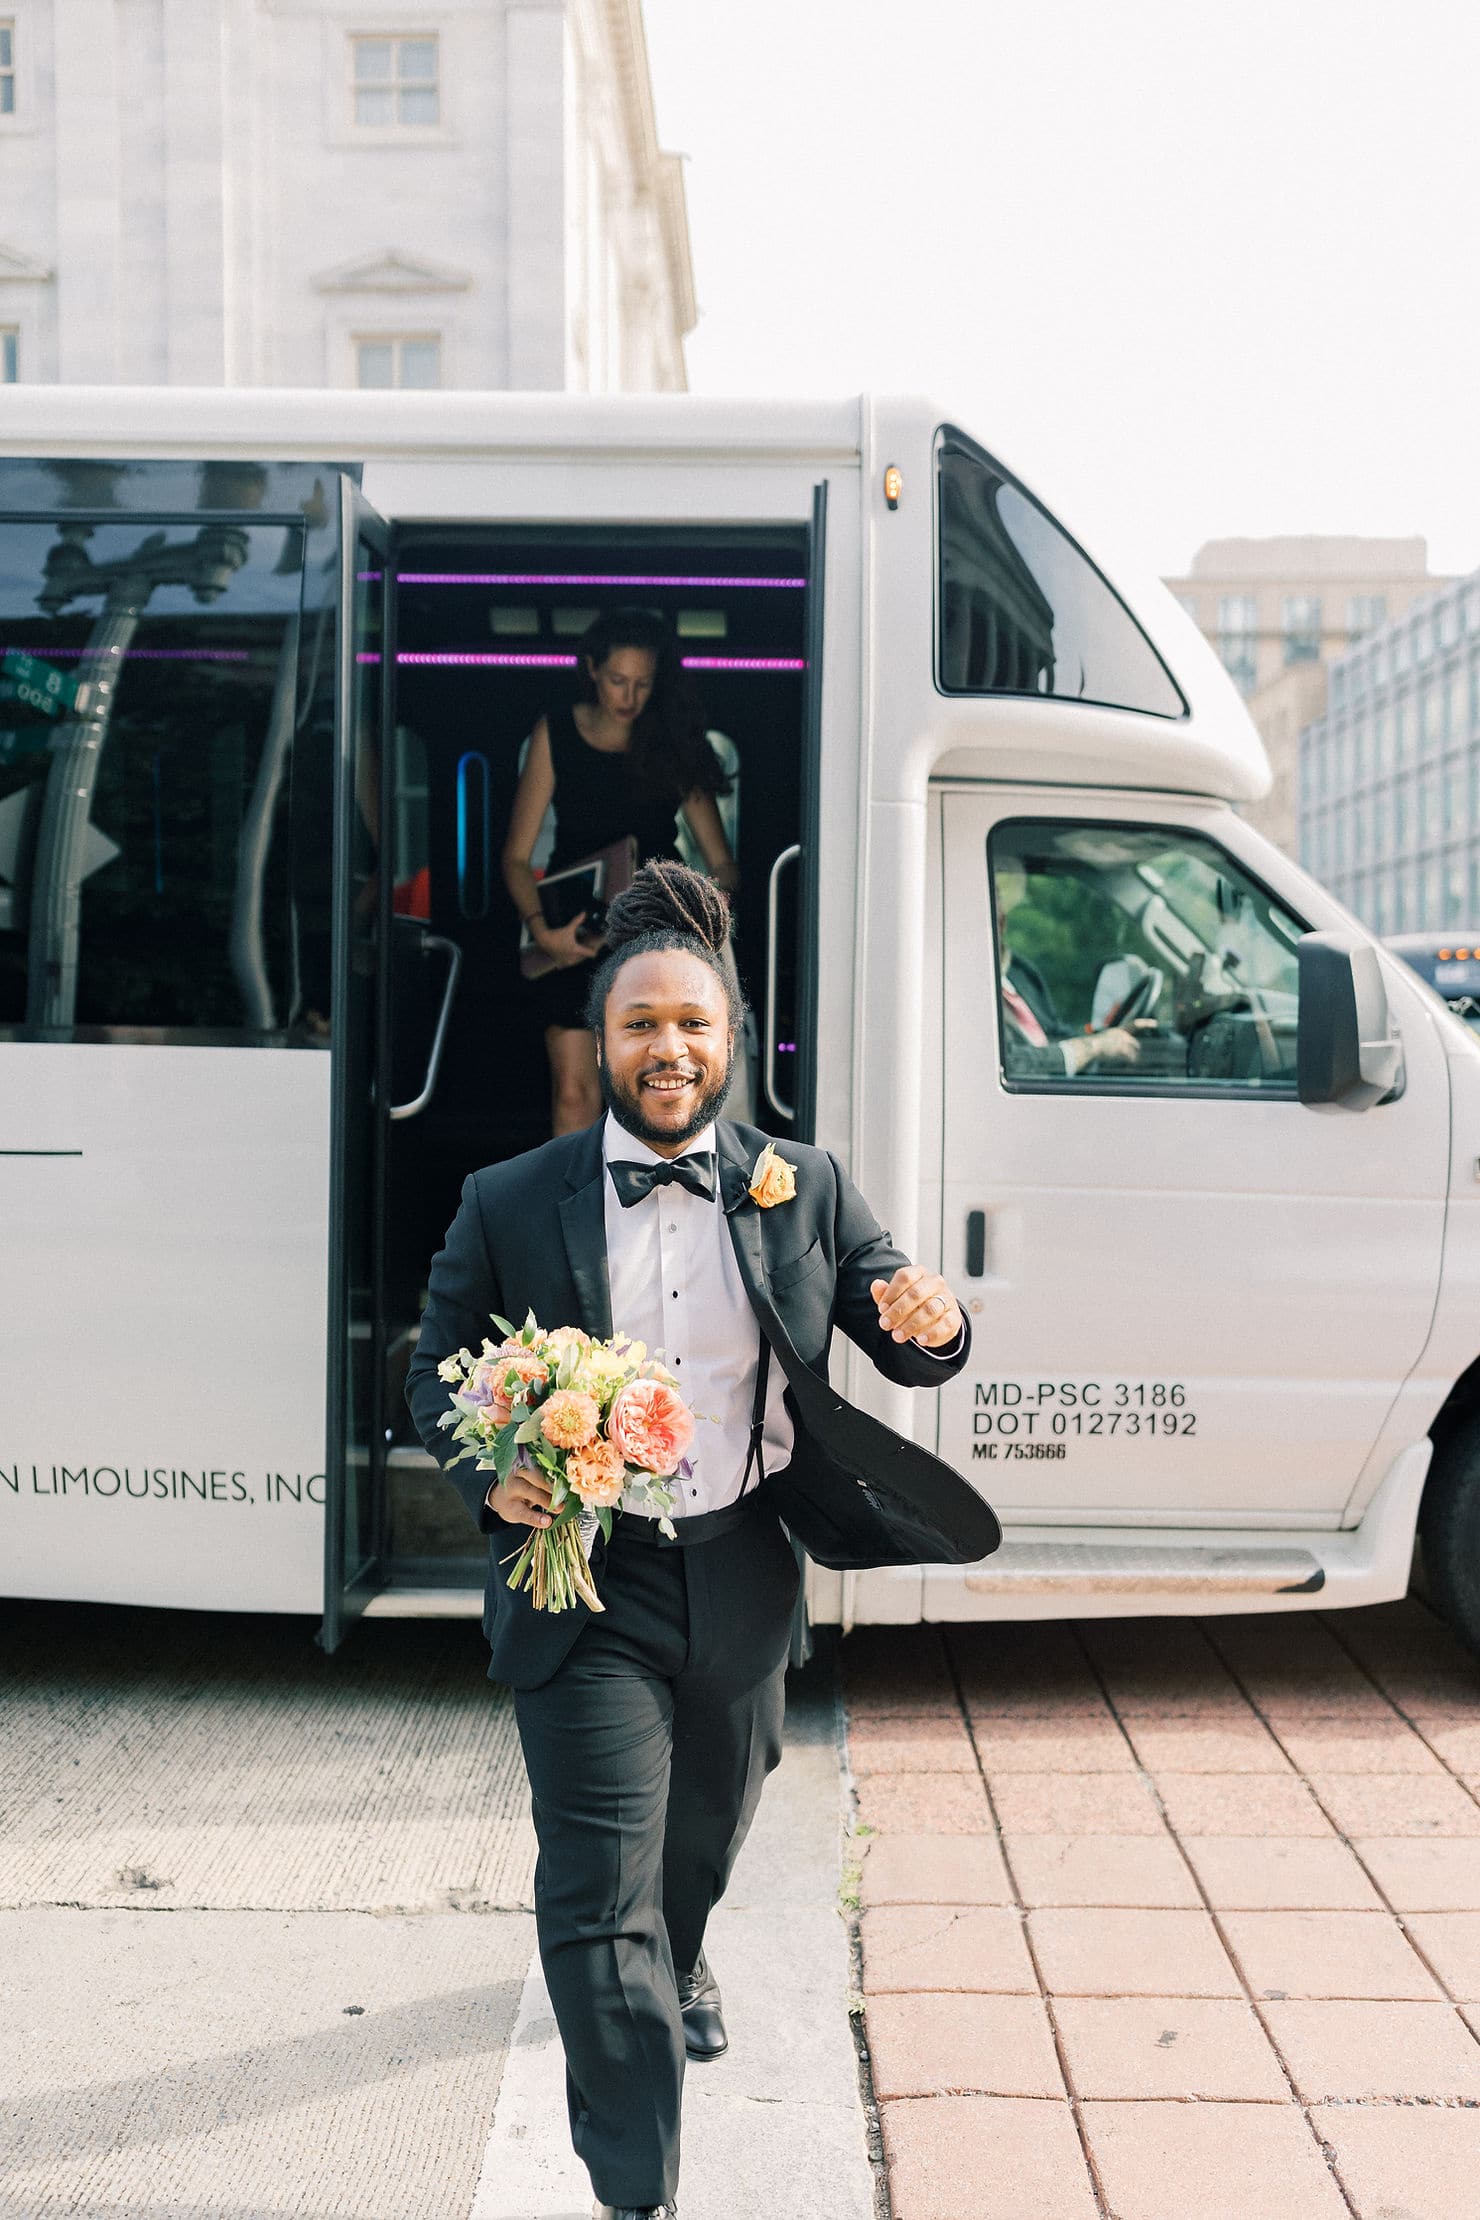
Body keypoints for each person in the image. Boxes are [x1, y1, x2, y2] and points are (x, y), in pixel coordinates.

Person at [406, 860, 984, 2220]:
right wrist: (493, 1480)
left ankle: (690, 1946)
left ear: (731, 1043)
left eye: (695, 1026)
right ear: (598, 1044)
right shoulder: (511, 1198)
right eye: (639, 1025)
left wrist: (935, 1328)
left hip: (740, 1573)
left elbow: (903, 1328)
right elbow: (434, 1371)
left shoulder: (804, 1185)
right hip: (583, 1585)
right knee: (602, 1900)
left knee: (699, 1849)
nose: (669, 1049)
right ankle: (637, 2187)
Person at [502, 608, 739, 1136]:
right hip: (572, 933)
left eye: (642, 684)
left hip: (654, 935)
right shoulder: (556, 733)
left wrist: (701, 915)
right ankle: (579, 1216)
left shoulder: (673, 743)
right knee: (573, 1091)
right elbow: (516, 858)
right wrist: (543, 933)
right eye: (617, 681)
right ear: (590, 669)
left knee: (653, 1089)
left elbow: (721, 862)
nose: (628, 697)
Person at [995, 866, 1141, 1078]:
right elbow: (1012, 1064)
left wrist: (1114, 1038)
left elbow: (1055, 1034)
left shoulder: (1019, 972)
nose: (1000, 920)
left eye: (999, 911)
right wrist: (1096, 1046)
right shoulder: (961, 994)